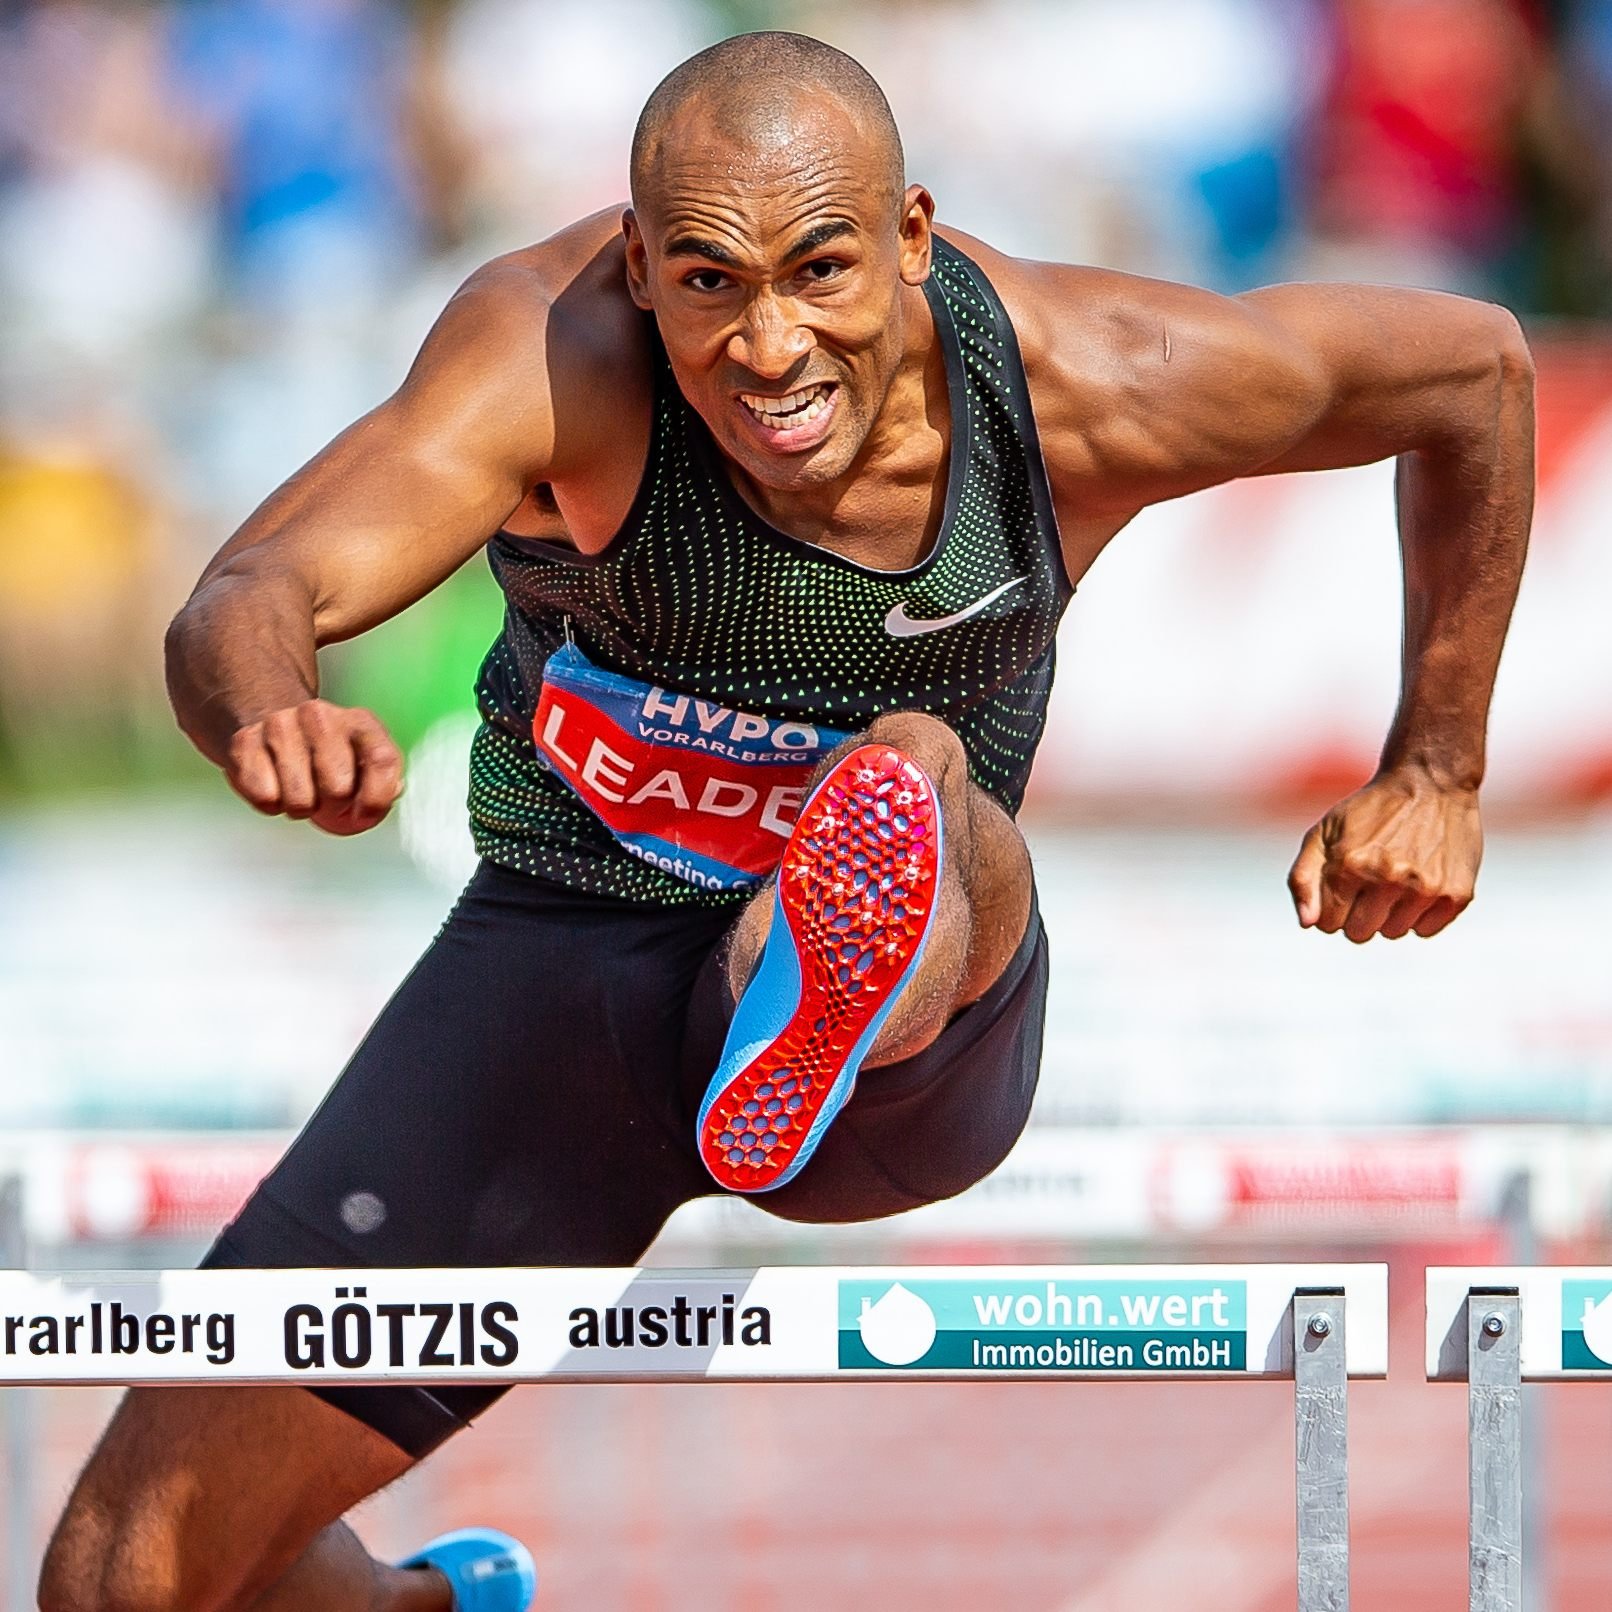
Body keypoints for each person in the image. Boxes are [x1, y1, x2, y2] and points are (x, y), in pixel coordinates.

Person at [39, 30, 1531, 1612]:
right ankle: (431, 1604)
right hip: (568, 972)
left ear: (913, 237)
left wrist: (1435, 767)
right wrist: (271, 706)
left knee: (905, 781)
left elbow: (1472, 372)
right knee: (124, 1578)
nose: (766, 350)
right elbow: (255, 586)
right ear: (635, 262)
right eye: (706, 283)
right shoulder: (555, 357)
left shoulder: (1088, 381)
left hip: (911, 1033)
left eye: (821, 272)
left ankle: (826, 951)